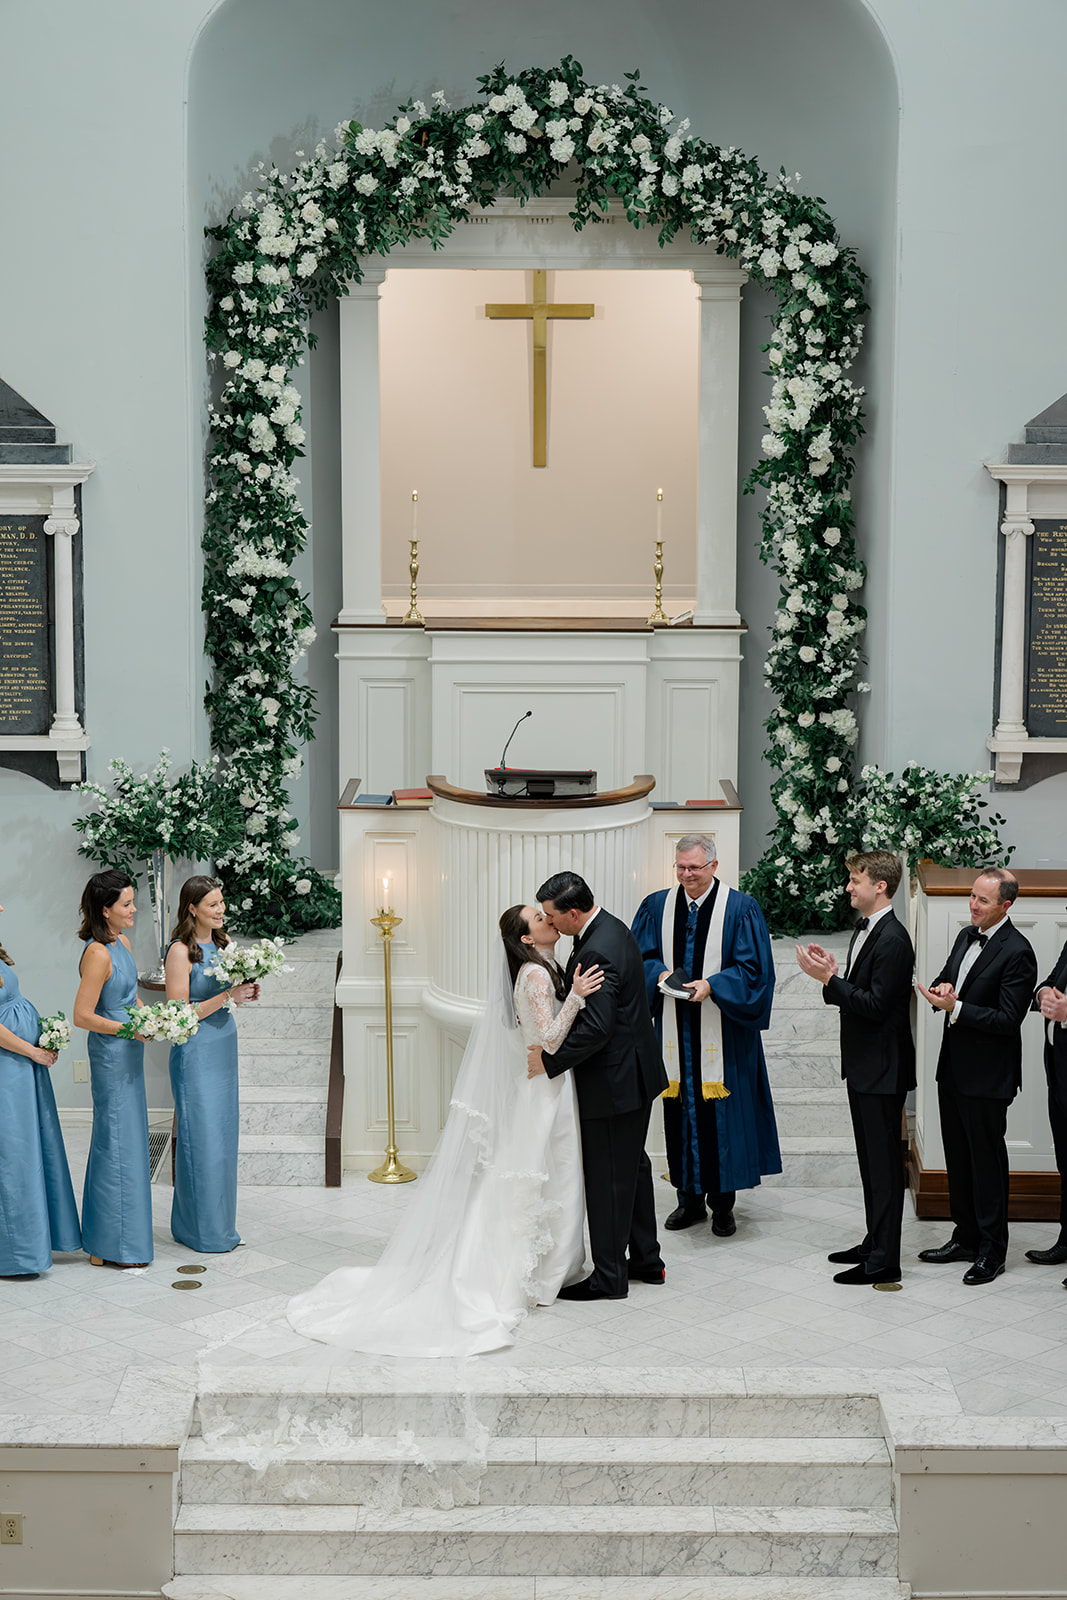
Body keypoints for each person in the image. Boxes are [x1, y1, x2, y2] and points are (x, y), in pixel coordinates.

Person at [286, 903, 602, 1355]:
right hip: (544, 1089)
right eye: (539, 918)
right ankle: (526, 1273)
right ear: (527, 939)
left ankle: (550, 1266)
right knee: (541, 1176)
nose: (549, 920)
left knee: (551, 1175)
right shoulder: (534, 975)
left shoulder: (544, 964)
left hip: (549, 1085)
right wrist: (575, 996)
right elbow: (548, 1040)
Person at [630, 836, 780, 1236]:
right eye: (680, 867)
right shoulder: (656, 906)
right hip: (675, 1033)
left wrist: (713, 985)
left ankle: (723, 1205)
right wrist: (659, 975)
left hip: (723, 1034)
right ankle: (689, 1200)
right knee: (679, 1111)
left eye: (694, 868)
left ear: (714, 866)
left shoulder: (741, 909)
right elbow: (639, 959)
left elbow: (755, 973)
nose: (686, 875)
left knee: (723, 1118)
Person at [529, 870, 666, 1301]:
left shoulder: (596, 953)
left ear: (573, 913)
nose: (550, 925)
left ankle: (609, 1277)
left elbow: (598, 1029)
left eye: (552, 918)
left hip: (614, 1083)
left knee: (609, 1178)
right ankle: (647, 1259)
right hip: (637, 1075)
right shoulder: (612, 926)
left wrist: (550, 1061)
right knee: (633, 1169)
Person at [796, 850, 915, 1286]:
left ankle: (885, 1260)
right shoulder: (867, 931)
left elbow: (875, 1005)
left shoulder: (894, 939)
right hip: (866, 1065)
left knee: (884, 1167)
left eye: (855, 880)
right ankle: (873, 1241)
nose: (849, 887)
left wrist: (829, 981)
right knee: (871, 1163)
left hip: (884, 1069)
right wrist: (834, 974)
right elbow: (860, 992)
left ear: (879, 886)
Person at [916, 867, 1037, 1284]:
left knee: (986, 1163)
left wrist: (957, 1009)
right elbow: (950, 978)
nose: (972, 905)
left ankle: (992, 1251)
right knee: (959, 1158)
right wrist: (940, 991)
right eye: (972, 896)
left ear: (1006, 905)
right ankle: (965, 1236)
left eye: (982, 901)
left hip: (988, 1077)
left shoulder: (1019, 951)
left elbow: (1007, 1020)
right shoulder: (966, 935)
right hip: (953, 1068)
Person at [164, 876, 259, 1253]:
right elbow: (178, 1014)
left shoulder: (223, 943)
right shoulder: (179, 951)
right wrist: (226, 995)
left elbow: (226, 998)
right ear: (192, 908)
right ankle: (199, 1230)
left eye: (222, 903)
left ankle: (220, 1224)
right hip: (195, 1051)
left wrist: (243, 993)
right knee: (199, 1139)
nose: (221, 911)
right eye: (212, 905)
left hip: (223, 1045)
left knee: (221, 1139)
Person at [73, 869, 154, 1269]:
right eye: (126, 904)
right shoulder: (97, 953)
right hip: (110, 1054)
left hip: (129, 1051)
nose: (134, 909)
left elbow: (129, 995)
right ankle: (110, 1243)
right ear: (106, 910)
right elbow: (82, 1015)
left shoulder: (120, 941)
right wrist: (129, 1029)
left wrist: (150, 1020)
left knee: (130, 1139)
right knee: (115, 1141)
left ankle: (113, 1238)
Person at [0, 899, 82, 1279]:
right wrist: (31, 1049)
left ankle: (33, 1242)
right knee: (13, 1155)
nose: (2, 907)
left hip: (19, 1066)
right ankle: (15, 1253)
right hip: (9, 1066)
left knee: (31, 1149)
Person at [1027, 939, 1067, 1273]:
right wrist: (1043, 994)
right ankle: (1066, 1240)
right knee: (1066, 1161)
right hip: (1059, 1069)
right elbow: (1050, 980)